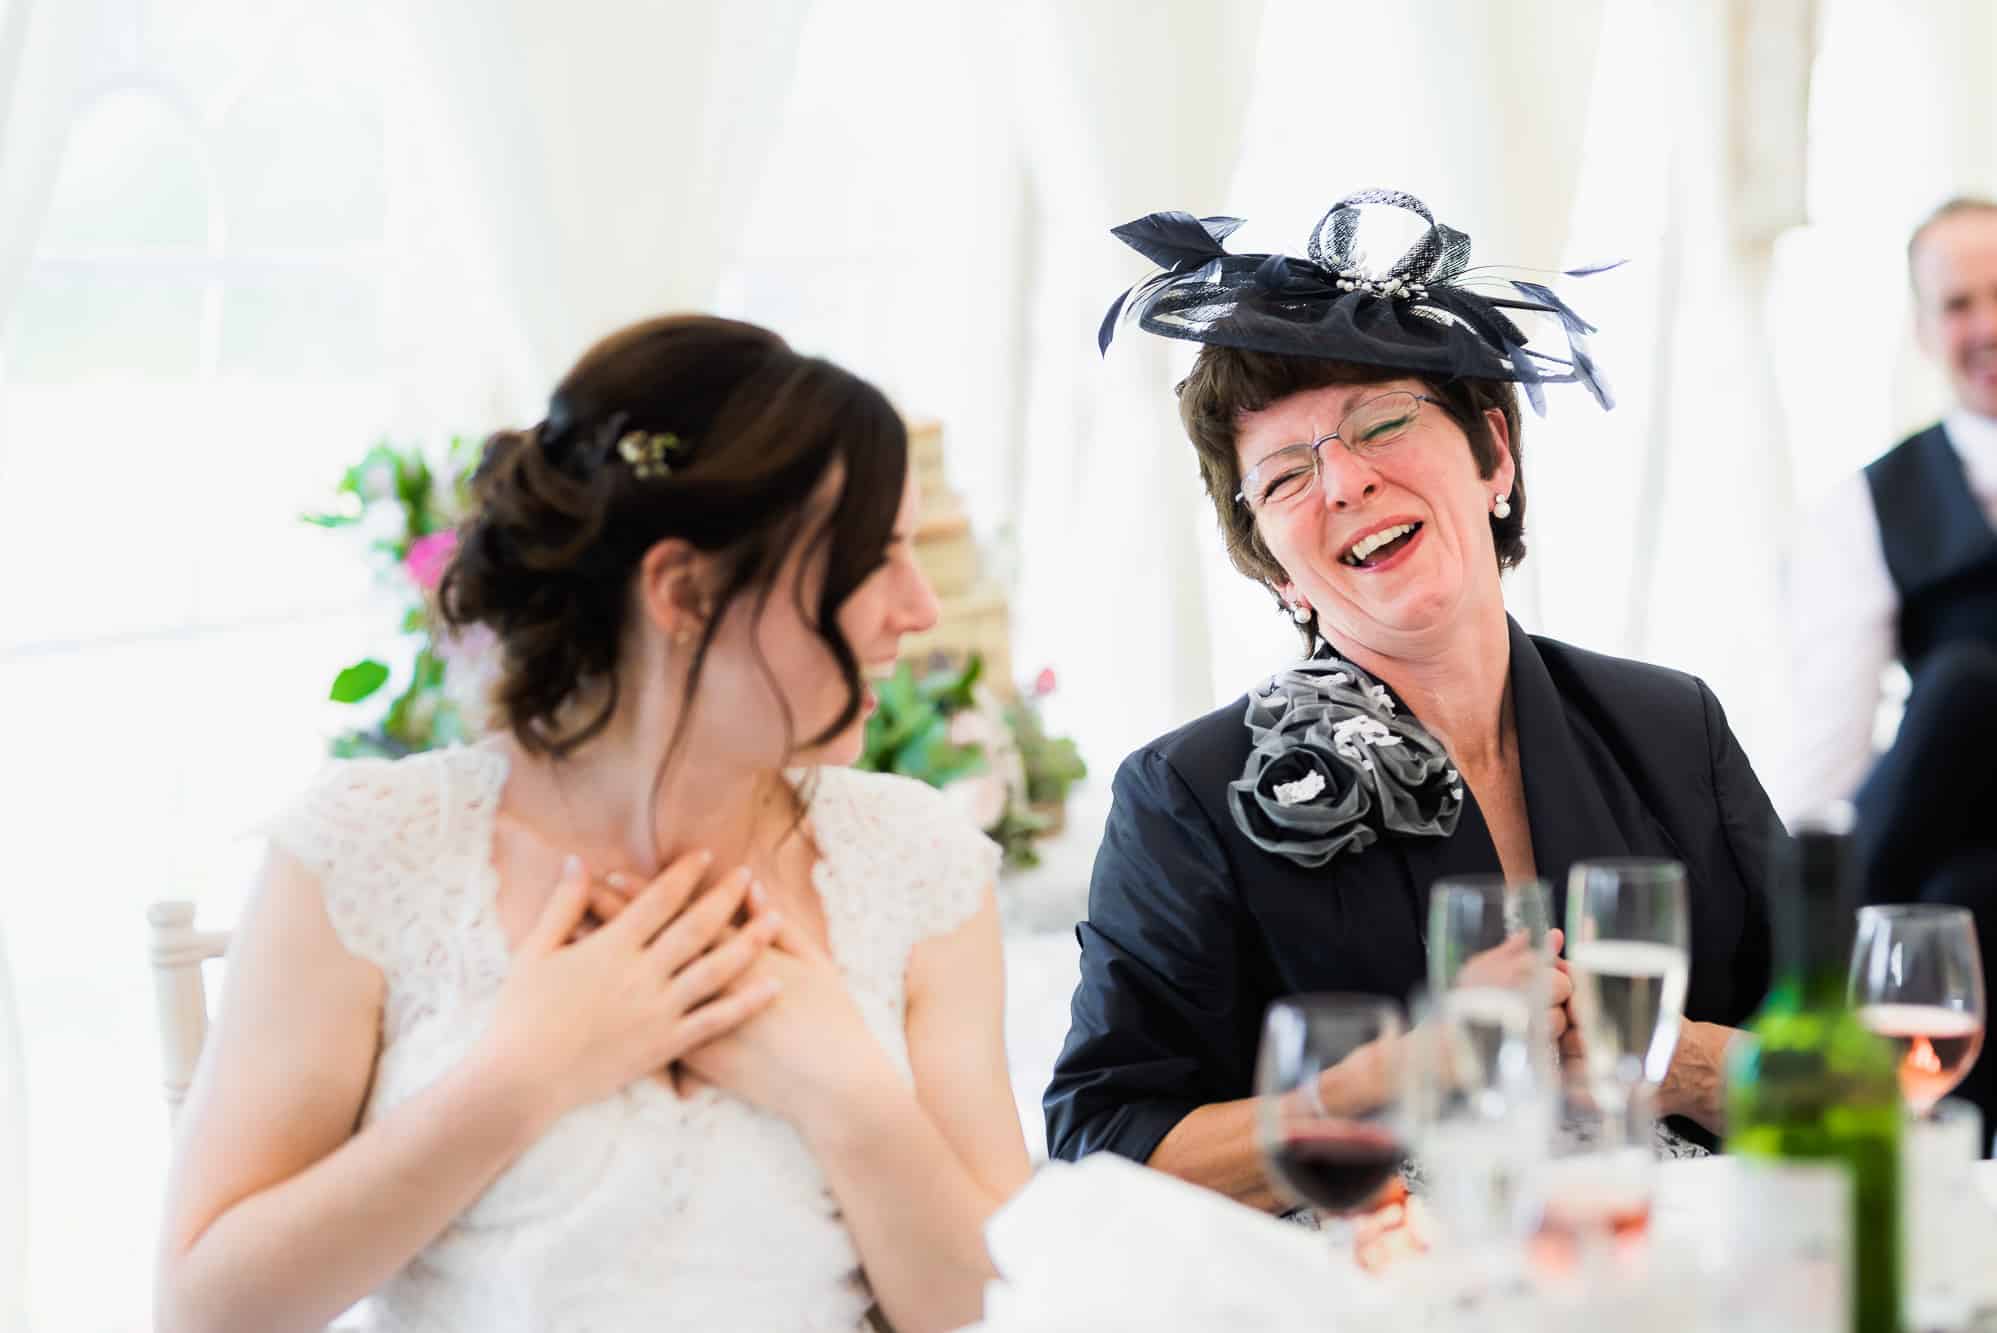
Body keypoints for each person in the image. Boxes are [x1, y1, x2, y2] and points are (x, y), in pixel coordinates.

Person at [156, 315, 1031, 1333]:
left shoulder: (918, 862)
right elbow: (203, 1311)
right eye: (870, 561)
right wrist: (518, 1078)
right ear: (684, 590)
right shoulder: (365, 850)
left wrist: (852, 1099)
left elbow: (996, 1314)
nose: (918, 608)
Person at [1045, 190, 1776, 1203]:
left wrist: (1676, 1058)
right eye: (1286, 479)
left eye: (1379, 422)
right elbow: (1099, 1150)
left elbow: (1864, 1082)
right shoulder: (1185, 795)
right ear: (1277, 572)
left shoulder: (1669, 725)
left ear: (1494, 456)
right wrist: (1400, 1074)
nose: (1343, 481)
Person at [1780, 196, 1997, 822]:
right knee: (1961, 687)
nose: (1986, 326)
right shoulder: (1864, 508)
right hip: (1967, 842)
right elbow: (1831, 750)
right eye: (1959, 305)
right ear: (1924, 330)